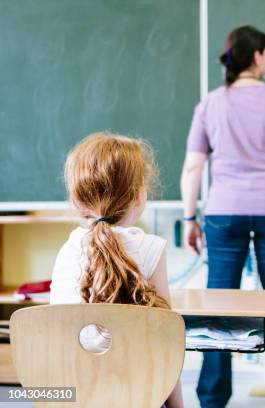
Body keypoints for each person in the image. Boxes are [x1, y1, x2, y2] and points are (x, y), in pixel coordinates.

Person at [181, 25, 265, 408]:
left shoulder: (210, 103)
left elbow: (193, 168)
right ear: (257, 56)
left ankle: (211, 397)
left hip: (223, 213)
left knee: (218, 304)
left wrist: (189, 218)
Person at [50, 133, 183, 408]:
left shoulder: (68, 249)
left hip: (68, 394)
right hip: (137, 395)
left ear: (78, 200)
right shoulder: (150, 249)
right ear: (138, 196)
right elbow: (167, 340)